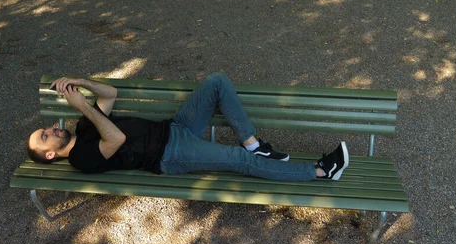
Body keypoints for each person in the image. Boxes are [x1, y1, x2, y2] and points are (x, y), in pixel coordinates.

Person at [27, 73, 349, 181]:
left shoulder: (84, 127)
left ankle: (254, 143)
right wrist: (83, 105)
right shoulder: (81, 157)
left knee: (216, 82)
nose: (51, 130)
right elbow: (116, 137)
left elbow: (111, 94)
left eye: (47, 129)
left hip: (175, 128)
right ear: (51, 155)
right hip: (169, 155)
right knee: (238, 161)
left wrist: (80, 83)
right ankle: (321, 171)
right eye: (45, 137)